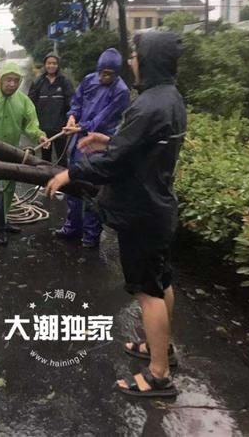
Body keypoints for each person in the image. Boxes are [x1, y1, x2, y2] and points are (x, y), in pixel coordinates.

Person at [46, 30, 187, 398]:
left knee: (148, 292)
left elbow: (115, 164)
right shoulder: (169, 99)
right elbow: (137, 147)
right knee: (161, 282)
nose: (133, 62)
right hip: (157, 205)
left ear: (152, 59)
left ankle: (159, 375)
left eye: (138, 55)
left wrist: (70, 173)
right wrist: (107, 140)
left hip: (141, 211)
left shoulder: (149, 104)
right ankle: (162, 349)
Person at [0, 61, 49, 246]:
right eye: (8, 80)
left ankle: (4, 221)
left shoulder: (22, 101)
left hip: (13, 153)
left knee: (9, 190)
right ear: (1, 80)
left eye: (15, 81)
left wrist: (40, 136)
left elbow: (31, 124)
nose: (12, 84)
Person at [56, 48, 130, 247]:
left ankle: (91, 235)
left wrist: (81, 126)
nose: (105, 77)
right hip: (78, 138)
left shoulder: (121, 91)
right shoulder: (89, 80)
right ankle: (73, 227)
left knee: (92, 188)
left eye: (110, 74)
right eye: (103, 73)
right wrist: (72, 116)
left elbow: (102, 118)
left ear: (116, 74)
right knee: (73, 184)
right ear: (98, 70)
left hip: (98, 142)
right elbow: (77, 102)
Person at [27, 52, 74, 165]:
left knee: (62, 159)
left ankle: (63, 182)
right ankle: (46, 182)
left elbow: (72, 103)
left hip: (60, 129)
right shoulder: (39, 82)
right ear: (45, 65)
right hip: (43, 130)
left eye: (54, 63)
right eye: (49, 63)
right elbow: (30, 104)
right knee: (45, 159)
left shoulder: (64, 82)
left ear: (58, 65)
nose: (51, 66)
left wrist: (71, 121)